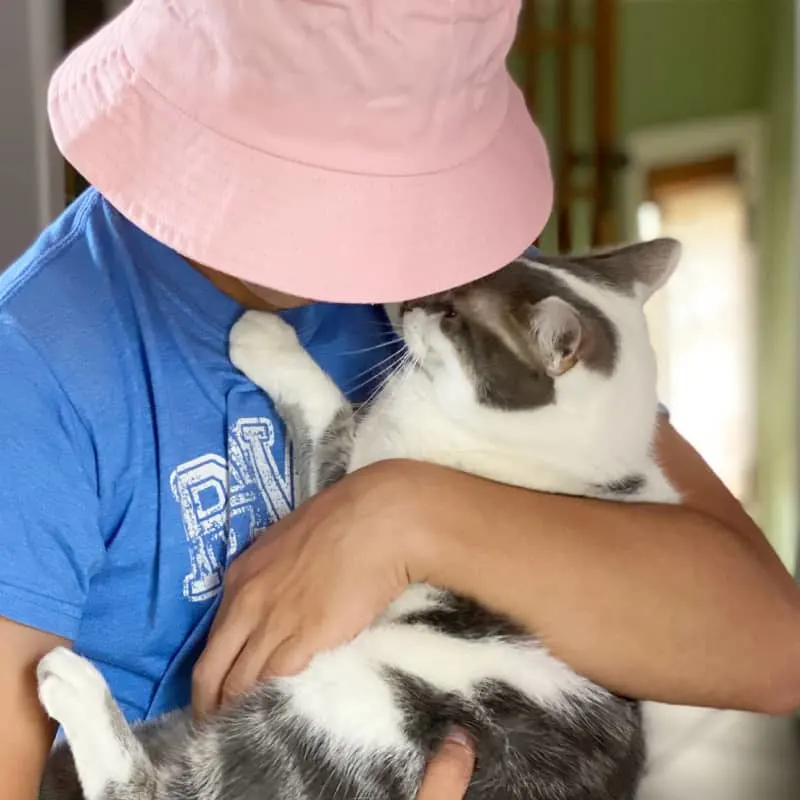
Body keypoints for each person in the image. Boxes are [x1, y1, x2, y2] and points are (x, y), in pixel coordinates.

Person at [1, 1, 798, 798]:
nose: (398, 251)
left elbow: (770, 644)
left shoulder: (466, 289)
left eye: (402, 179)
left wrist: (400, 519)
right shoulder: (35, 367)